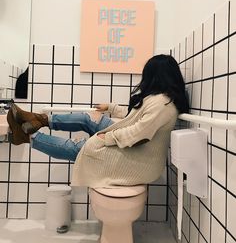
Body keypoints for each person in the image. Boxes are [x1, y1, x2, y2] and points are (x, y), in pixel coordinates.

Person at [7, 54, 189, 188]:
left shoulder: (162, 104)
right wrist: (111, 108)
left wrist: (107, 138)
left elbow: (138, 135)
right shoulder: (161, 99)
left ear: (154, 76)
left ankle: (27, 136)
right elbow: (134, 116)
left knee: (82, 147)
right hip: (134, 147)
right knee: (88, 119)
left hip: (139, 159)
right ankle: (39, 119)